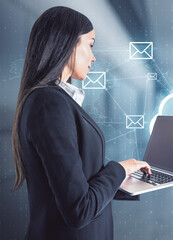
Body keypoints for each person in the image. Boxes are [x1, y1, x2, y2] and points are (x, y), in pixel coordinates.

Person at [11, 6, 151, 240]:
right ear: (67, 43)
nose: (93, 56)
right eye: (90, 44)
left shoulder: (53, 100)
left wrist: (128, 178)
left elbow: (79, 183)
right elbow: (79, 209)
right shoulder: (49, 103)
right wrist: (118, 169)